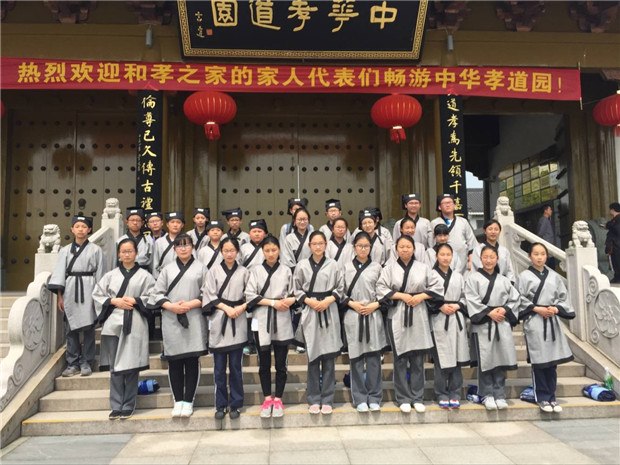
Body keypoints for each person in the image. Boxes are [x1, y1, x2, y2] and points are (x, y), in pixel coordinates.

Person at [376, 235, 443, 414]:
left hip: (418, 313)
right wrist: (402, 296)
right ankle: (403, 397)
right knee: (400, 358)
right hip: (397, 314)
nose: (405, 249)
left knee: (417, 358)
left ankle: (417, 396)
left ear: (414, 249)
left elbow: (437, 287)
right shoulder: (389, 268)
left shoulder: (423, 267)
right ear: (396, 249)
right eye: (402, 246)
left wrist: (421, 296)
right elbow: (381, 288)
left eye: (408, 246)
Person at [93, 237, 156, 420]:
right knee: (115, 366)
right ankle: (116, 404)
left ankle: (128, 404)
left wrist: (136, 300)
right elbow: (97, 294)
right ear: (119, 254)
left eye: (130, 251)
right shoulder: (110, 275)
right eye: (123, 251)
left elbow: (153, 296)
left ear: (136, 253)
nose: (127, 254)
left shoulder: (145, 276)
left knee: (131, 365)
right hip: (113, 324)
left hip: (134, 323)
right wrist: (114, 301)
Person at [149, 234, 208, 418]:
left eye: (187, 245)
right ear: (174, 248)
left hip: (193, 317)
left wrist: (190, 304)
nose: (183, 248)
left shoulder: (201, 268)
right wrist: (171, 306)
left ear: (193, 247)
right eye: (179, 245)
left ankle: (189, 400)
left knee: (191, 361)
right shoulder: (167, 269)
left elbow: (208, 292)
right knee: (174, 361)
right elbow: (157, 293)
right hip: (172, 318)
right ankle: (178, 400)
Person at [517, 242, 575, 413]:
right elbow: (518, 298)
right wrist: (536, 309)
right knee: (539, 361)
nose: (539, 257)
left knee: (552, 362)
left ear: (547, 256)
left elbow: (563, 297)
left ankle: (552, 396)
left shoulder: (554, 277)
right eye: (536, 254)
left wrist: (556, 309)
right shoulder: (524, 276)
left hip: (552, 319)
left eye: (542, 254)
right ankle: (542, 397)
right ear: (530, 256)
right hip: (535, 319)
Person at [293, 231, 345, 415]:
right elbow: (296, 289)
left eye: (321, 243)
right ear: (309, 246)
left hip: (329, 310)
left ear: (325, 245)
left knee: (329, 358)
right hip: (311, 310)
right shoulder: (302, 265)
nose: (317, 246)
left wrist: (328, 300)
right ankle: (314, 398)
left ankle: (328, 398)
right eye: (314, 244)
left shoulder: (334, 265)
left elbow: (341, 287)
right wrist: (310, 301)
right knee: (313, 357)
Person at [245, 235, 296, 418]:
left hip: (282, 318)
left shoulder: (286, 270)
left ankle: (279, 398)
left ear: (279, 250)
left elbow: (294, 293)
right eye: (267, 250)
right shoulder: (255, 271)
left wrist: (289, 300)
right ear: (262, 252)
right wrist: (273, 303)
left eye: (274, 250)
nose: (271, 253)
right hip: (261, 318)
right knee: (264, 363)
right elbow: (250, 295)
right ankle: (267, 398)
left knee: (281, 363)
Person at [48, 215, 105, 377]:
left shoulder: (96, 250)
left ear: (89, 229)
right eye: (77, 226)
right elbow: (59, 273)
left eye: (84, 226)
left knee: (89, 328)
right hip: (70, 289)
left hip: (89, 288)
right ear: (72, 229)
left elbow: (101, 274)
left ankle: (87, 361)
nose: (81, 229)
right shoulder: (65, 250)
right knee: (70, 328)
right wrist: (60, 296)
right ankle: (72, 363)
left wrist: (98, 297)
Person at [464, 245, 520, 411]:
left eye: (492, 257)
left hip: (501, 322)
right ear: (480, 259)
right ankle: (486, 394)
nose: (488, 260)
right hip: (483, 325)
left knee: (501, 360)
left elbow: (515, 299)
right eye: (485, 257)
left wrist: (504, 309)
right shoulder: (472, 279)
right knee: (486, 361)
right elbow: (471, 299)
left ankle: (500, 394)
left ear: (497, 259)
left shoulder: (504, 280)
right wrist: (489, 312)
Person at [202, 237, 249, 420]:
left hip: (238, 317)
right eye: (226, 250)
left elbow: (250, 294)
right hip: (220, 317)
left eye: (232, 250)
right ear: (221, 252)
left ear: (237, 252)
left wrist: (240, 308)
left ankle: (236, 403)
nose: (229, 254)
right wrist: (226, 308)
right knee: (219, 368)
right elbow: (209, 294)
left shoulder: (244, 272)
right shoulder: (213, 271)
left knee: (236, 367)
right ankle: (220, 404)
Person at [342, 232, 387, 412]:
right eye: (359, 246)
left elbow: (385, 290)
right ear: (354, 247)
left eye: (366, 246)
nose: (363, 249)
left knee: (374, 358)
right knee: (356, 358)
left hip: (373, 314)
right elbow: (339, 291)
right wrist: (352, 304)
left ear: (370, 248)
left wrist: (375, 305)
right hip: (354, 315)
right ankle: (360, 397)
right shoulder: (346, 267)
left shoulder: (377, 268)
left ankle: (374, 396)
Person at [428, 243, 469, 409]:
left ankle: (455, 392)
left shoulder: (458, 276)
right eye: (442, 254)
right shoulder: (430, 275)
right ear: (436, 256)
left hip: (456, 317)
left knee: (457, 358)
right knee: (441, 359)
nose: (445, 258)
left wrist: (458, 305)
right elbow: (427, 296)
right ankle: (441, 393)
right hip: (438, 318)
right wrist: (440, 306)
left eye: (448, 255)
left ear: (452, 257)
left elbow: (466, 296)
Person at [239, 219, 269, 356]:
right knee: (249, 314)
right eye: (254, 231)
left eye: (259, 231)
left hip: (265, 284)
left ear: (265, 233)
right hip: (248, 284)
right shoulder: (244, 248)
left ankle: (265, 342)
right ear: (249, 233)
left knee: (263, 313)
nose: (257, 234)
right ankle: (249, 343)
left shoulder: (268, 246)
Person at [429, 194, 477, 272]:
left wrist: (471, 261)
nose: (448, 205)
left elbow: (472, 244)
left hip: (462, 263)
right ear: (439, 207)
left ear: (454, 205)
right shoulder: (434, 223)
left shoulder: (463, 222)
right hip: (441, 263)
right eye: (444, 203)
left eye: (450, 203)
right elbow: (431, 244)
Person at [152, 211, 185, 279]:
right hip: (163, 277)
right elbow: (155, 263)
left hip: (183, 276)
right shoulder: (159, 242)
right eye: (172, 222)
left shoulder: (187, 241)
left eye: (178, 222)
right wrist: (156, 279)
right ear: (167, 224)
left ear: (182, 225)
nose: (175, 225)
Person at [536, 204, 560, 269]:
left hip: (548, 247)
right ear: (545, 211)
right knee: (551, 267)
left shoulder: (545, 220)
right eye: (550, 209)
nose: (551, 211)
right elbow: (540, 233)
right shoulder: (544, 220)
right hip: (547, 247)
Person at [605, 202, 620, 283]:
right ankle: (617, 277)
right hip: (614, 246)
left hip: (616, 245)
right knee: (615, 263)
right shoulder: (614, 220)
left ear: (612, 210)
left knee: (617, 262)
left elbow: (618, 230)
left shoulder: (617, 219)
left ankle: (618, 278)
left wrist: (610, 225)